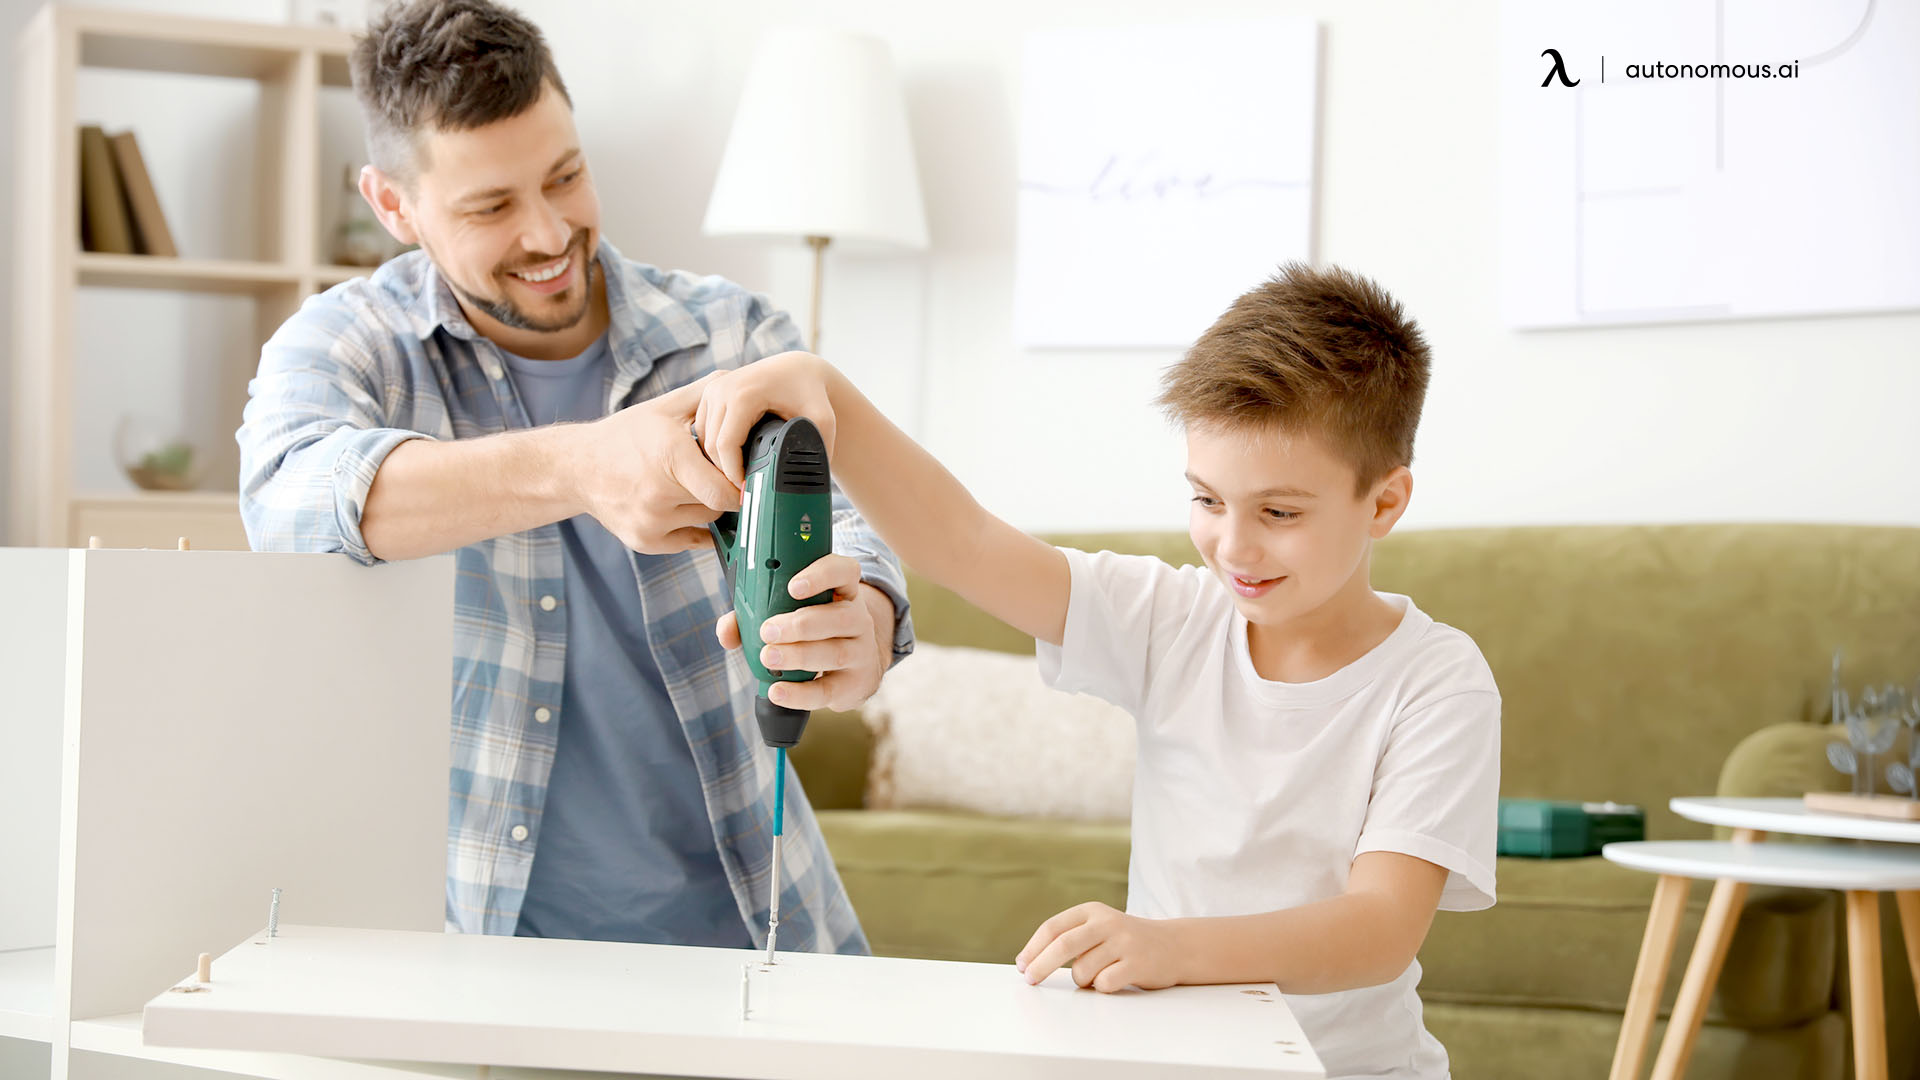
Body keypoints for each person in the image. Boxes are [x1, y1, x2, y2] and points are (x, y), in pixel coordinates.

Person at [691, 264, 1500, 1078]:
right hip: (1168, 1061)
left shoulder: (1437, 681)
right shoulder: (1171, 617)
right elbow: (965, 544)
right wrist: (830, 394)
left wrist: (1168, 948)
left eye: (1279, 513)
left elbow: (1379, 930)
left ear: (1385, 503)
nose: (1235, 547)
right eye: (1208, 501)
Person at [236, 0, 912, 953]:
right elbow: (287, 505)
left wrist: (867, 618)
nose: (551, 234)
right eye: (491, 206)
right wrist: (579, 465)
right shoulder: (351, 346)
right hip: (488, 957)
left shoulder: (730, 337)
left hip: (760, 934)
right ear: (393, 205)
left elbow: (847, 525)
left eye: (567, 177)